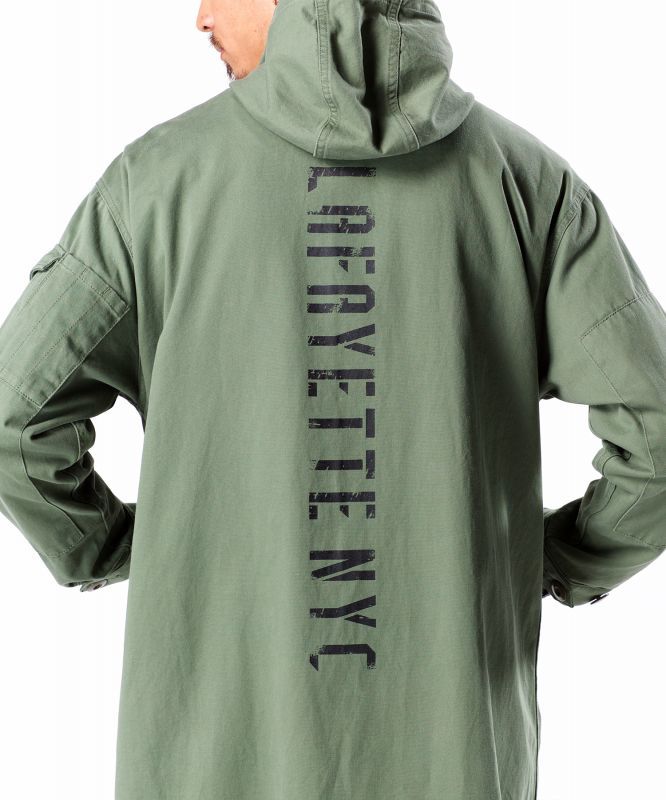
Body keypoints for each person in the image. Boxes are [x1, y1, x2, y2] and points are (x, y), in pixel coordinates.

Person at [0, 0, 664, 797]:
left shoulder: (153, 185)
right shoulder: (528, 185)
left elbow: (16, 418)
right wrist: (549, 561)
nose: (200, 16)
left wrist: (116, 547)